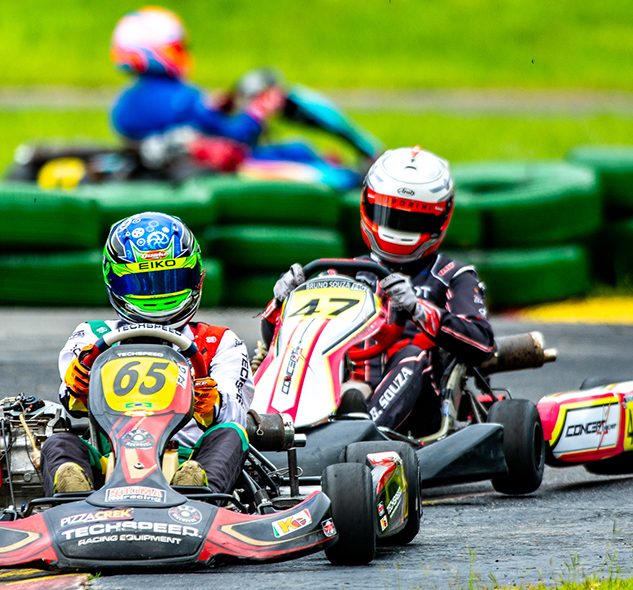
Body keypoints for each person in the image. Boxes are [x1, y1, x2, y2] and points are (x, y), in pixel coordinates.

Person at [259, 146, 494, 437]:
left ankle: (363, 433)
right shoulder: (343, 273)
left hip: (421, 407)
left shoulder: (452, 276)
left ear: (438, 219)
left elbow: (482, 344)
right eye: (387, 213)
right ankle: (270, 427)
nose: (397, 228)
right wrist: (280, 303)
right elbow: (284, 345)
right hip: (339, 391)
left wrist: (419, 310)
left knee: (412, 353)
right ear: (369, 205)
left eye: (412, 220)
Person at [40, 212, 254, 494]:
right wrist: (77, 387)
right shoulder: (93, 336)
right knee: (58, 443)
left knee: (232, 434)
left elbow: (235, 413)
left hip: (191, 457)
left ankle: (198, 493)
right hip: (111, 459)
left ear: (195, 275)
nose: (157, 295)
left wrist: (212, 402)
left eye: (170, 280)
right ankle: (72, 497)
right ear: (114, 281)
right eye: (142, 283)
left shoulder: (219, 342)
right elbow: (72, 401)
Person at [109, 7, 285, 163]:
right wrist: (257, 112)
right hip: (205, 174)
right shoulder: (185, 99)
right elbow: (234, 138)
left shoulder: (124, 104)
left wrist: (215, 109)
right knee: (298, 151)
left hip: (162, 171)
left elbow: (193, 123)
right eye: (178, 48)